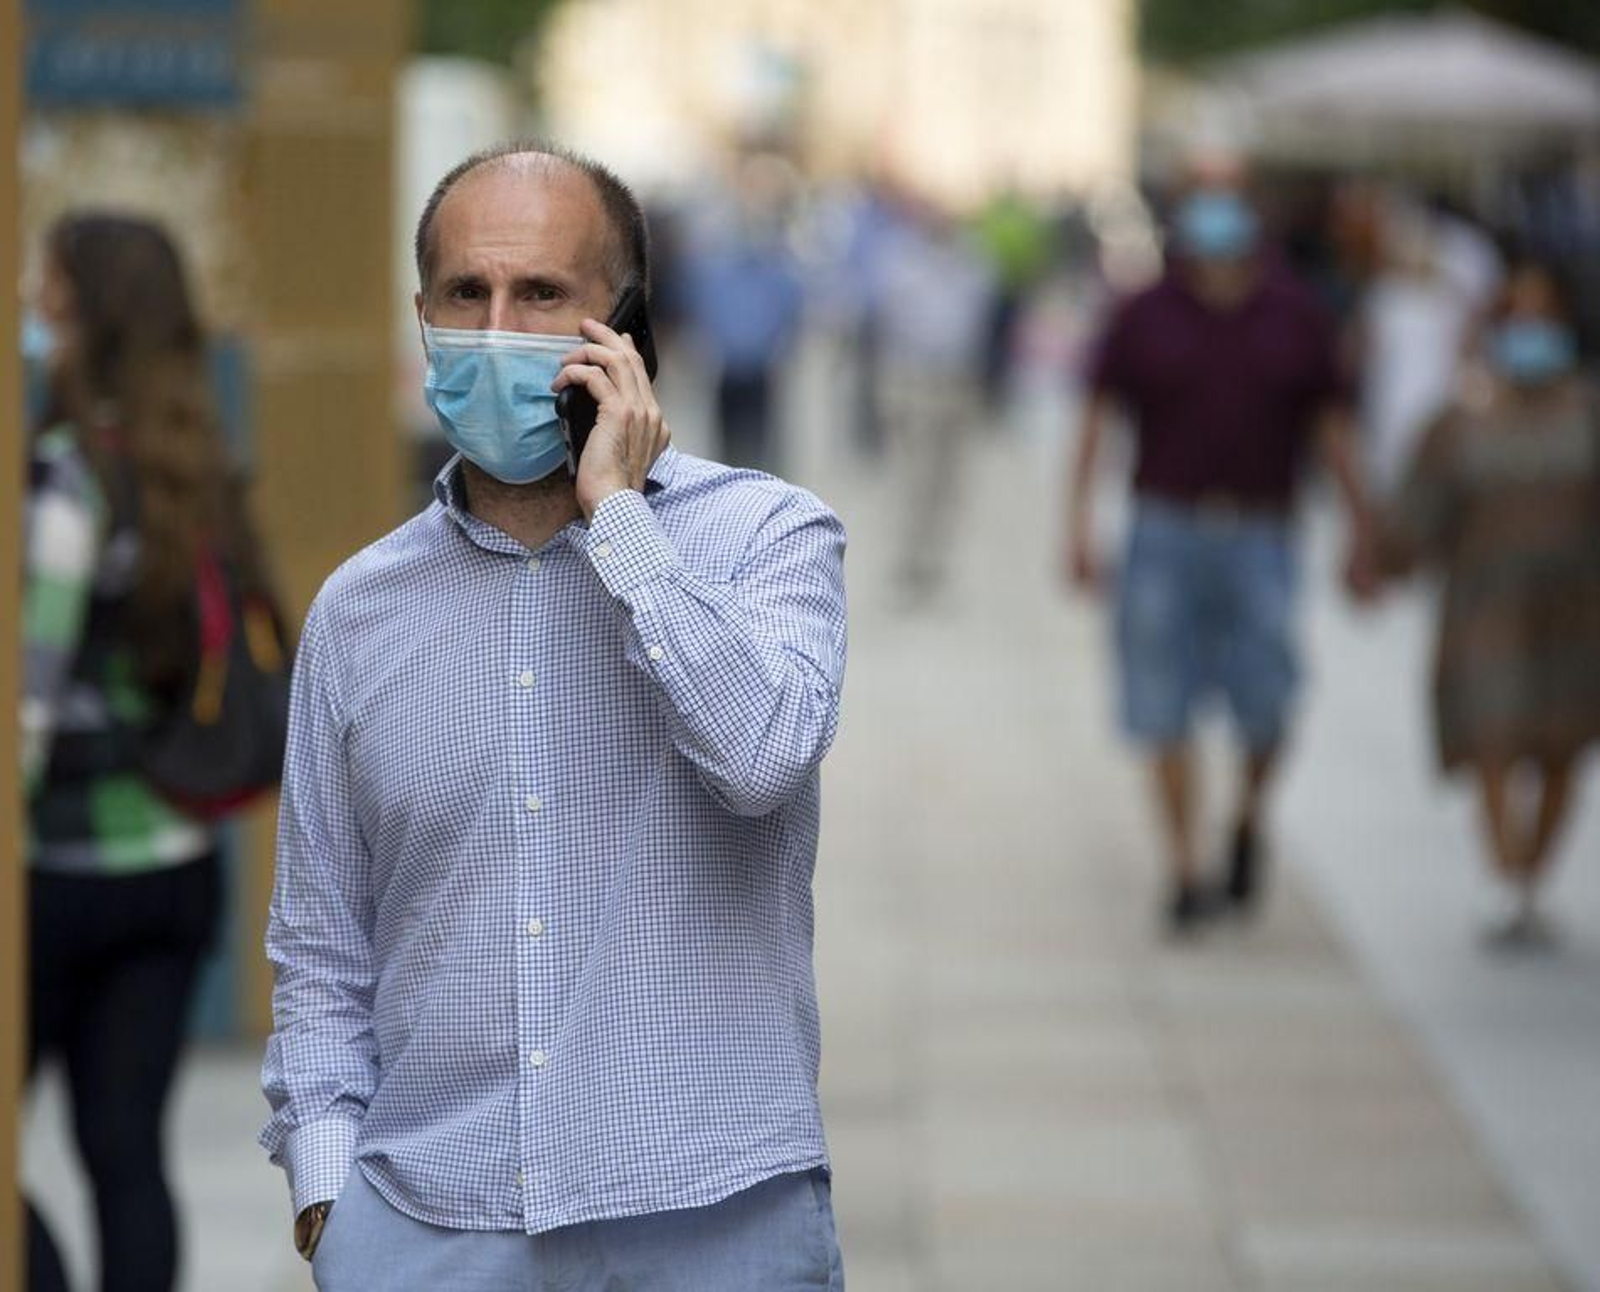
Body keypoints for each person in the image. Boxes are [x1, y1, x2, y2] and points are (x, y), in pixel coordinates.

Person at [259, 142, 849, 1291]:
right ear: (420, 316)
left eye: (540, 294)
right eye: (464, 294)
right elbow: (320, 945)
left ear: (624, 322)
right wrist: (330, 1207)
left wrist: (620, 520)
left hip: (715, 1213)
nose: (495, 327)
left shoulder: (769, 538)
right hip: (427, 1224)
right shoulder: (357, 608)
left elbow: (763, 754)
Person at [22, 213, 267, 1291]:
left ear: (84, 311)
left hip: (52, 871)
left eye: (46, 286)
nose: (31, 304)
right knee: (127, 1154)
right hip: (173, 868)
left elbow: (24, 705)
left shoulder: (70, 480)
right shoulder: (199, 470)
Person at [1066, 163, 1376, 935]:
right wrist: (1076, 525)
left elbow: (1333, 428)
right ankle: (1184, 865)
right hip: (1164, 528)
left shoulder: (1295, 315)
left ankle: (1245, 818)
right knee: (1160, 700)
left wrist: (1365, 528)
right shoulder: (1144, 313)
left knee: (1269, 696)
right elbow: (1096, 420)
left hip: (1263, 532)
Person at [1380, 261, 1600, 946]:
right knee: (1495, 740)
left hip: (1577, 609)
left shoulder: (1588, 411)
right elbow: (1417, 514)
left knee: (1562, 748)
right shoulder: (1460, 419)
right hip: (1488, 606)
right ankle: (1509, 883)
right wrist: (1382, 559)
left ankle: (1531, 876)